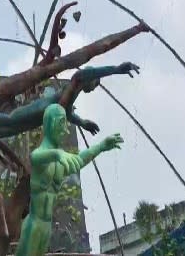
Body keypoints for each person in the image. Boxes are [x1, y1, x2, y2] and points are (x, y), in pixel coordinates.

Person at [15, 103, 123, 255]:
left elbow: (79, 161)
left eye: (64, 123)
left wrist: (101, 146)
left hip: (46, 227)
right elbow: (34, 157)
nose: (64, 129)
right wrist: (57, 154)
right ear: (51, 124)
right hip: (33, 225)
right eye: (60, 122)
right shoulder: (43, 156)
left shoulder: (60, 162)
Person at [0, 62, 140, 138]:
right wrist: (116, 69)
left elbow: (67, 112)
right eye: (96, 83)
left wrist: (83, 123)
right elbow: (93, 73)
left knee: (12, 130)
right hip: (42, 107)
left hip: (42, 117)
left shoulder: (75, 91)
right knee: (12, 119)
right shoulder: (78, 79)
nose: (95, 87)